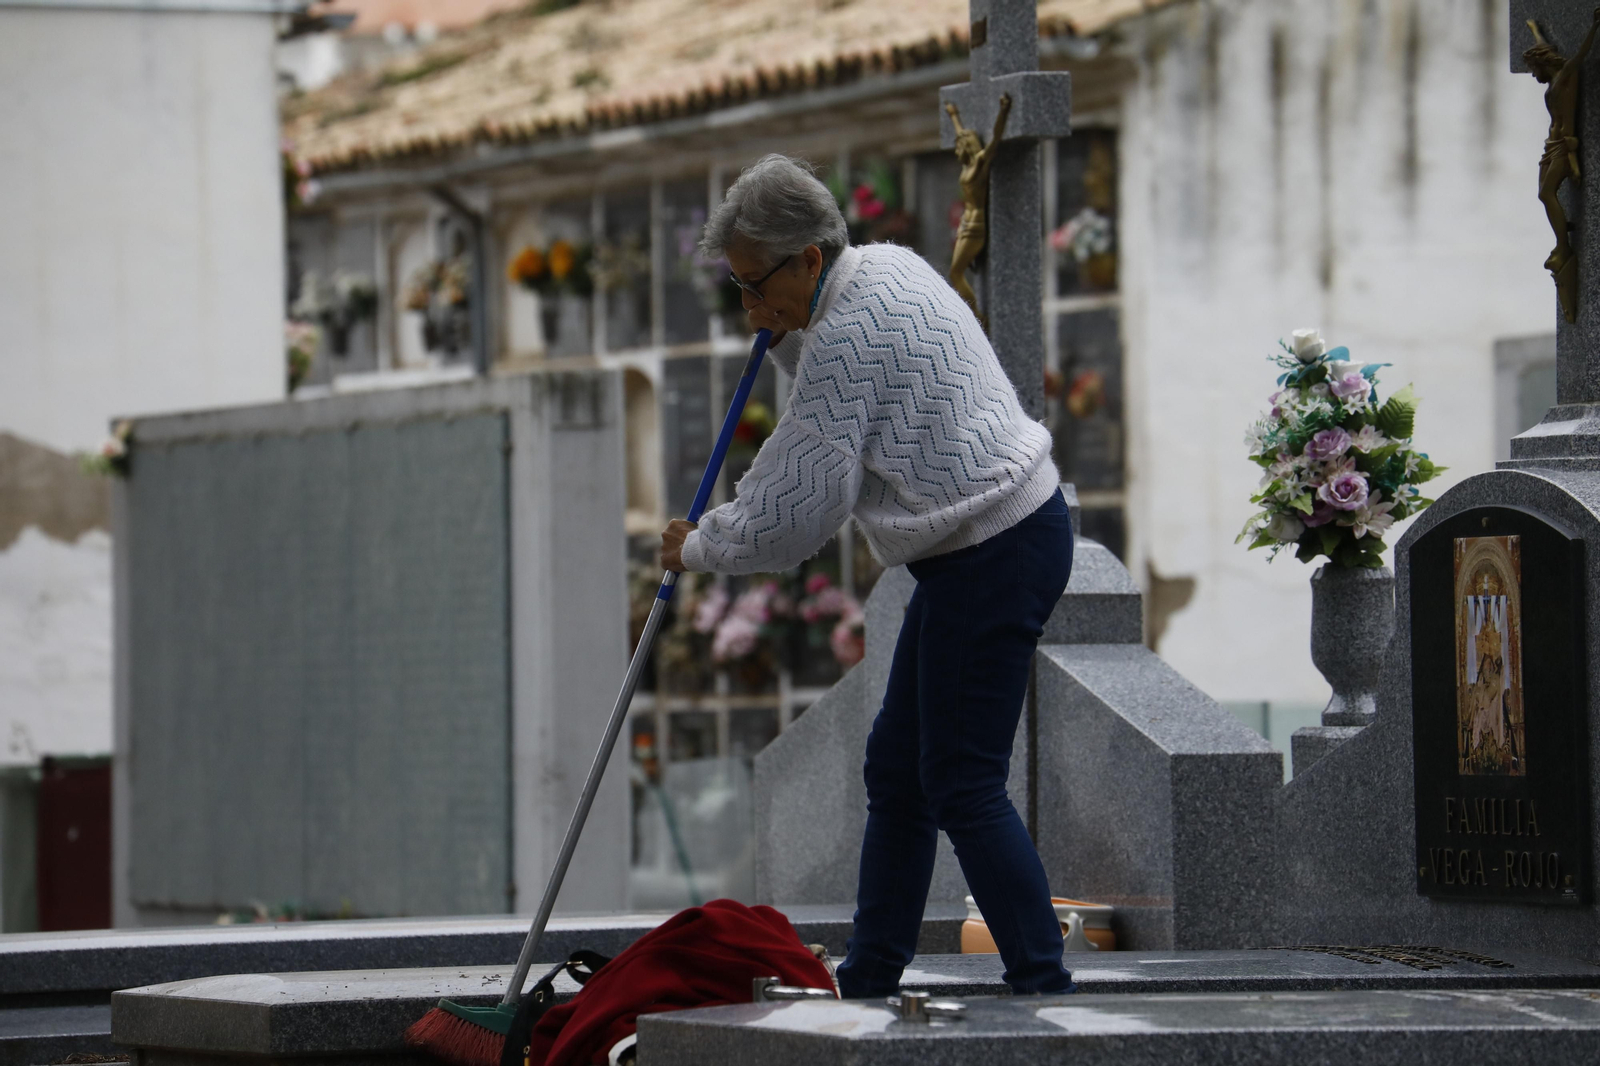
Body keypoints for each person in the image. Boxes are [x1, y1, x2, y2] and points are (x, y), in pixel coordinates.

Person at [659, 154, 1075, 999]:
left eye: (755, 286)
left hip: (993, 549)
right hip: (988, 541)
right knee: (896, 765)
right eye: (737, 290)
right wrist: (783, 333)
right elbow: (835, 405)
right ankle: (874, 969)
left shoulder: (848, 332)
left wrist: (701, 545)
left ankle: (1042, 983)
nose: (748, 310)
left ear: (810, 258)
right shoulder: (884, 266)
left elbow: (802, 503)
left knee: (960, 776)